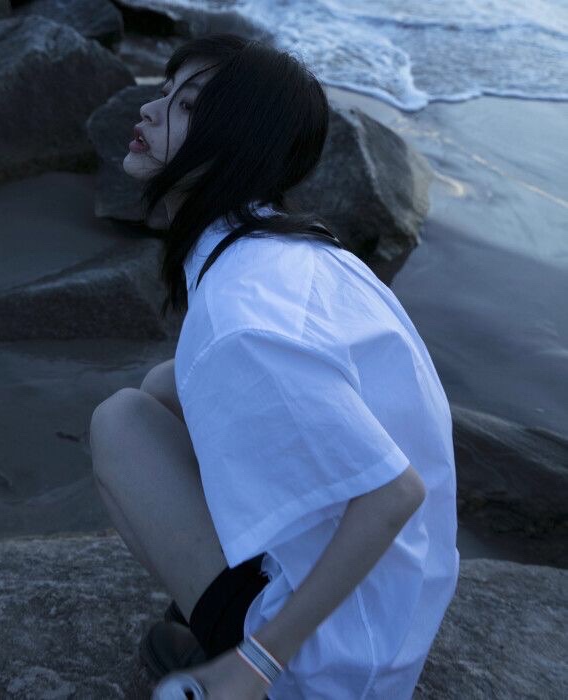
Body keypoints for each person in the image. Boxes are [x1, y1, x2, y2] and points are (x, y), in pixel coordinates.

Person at [90, 33, 460, 699]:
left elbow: (394, 493)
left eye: (186, 107)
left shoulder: (246, 313)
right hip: (399, 609)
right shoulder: (294, 250)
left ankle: (244, 649)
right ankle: (219, 612)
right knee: (165, 389)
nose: (148, 110)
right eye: (166, 93)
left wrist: (257, 663)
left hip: (341, 665)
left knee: (120, 424)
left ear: (236, 145)